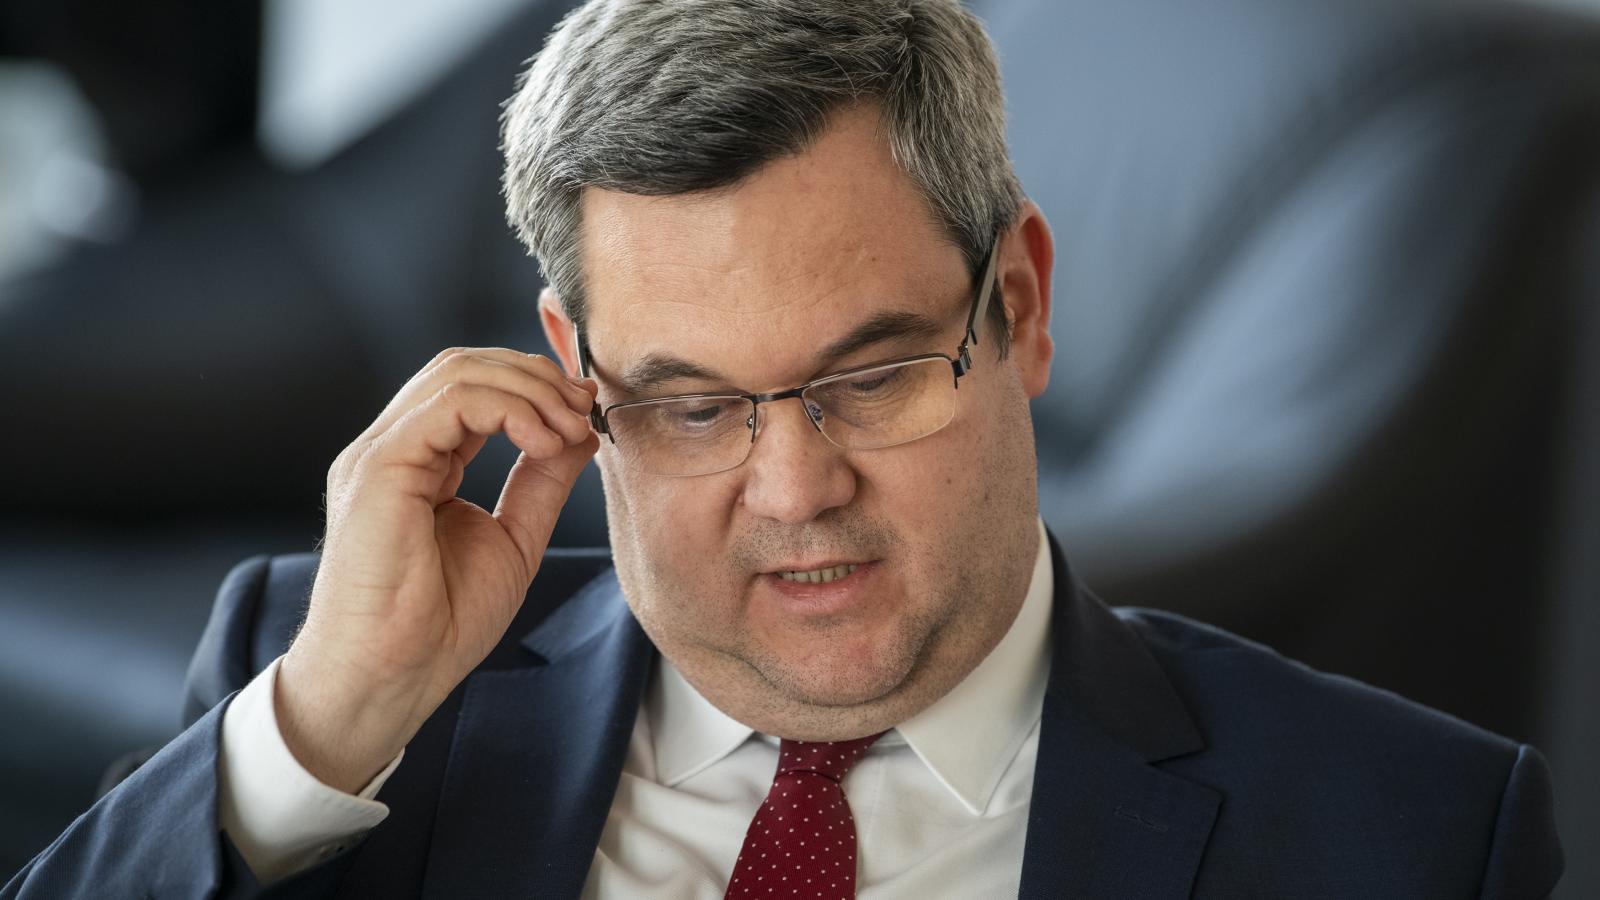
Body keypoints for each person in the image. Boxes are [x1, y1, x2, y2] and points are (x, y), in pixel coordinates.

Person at [3, 1, 1563, 897]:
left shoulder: (1413, 829)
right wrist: (317, 738)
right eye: (690, 406)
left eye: (871, 379)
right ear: (575, 379)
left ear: (1020, 307)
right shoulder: (321, 694)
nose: (797, 490)